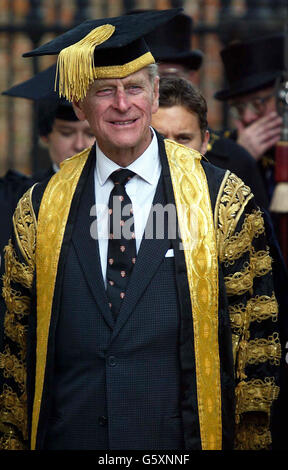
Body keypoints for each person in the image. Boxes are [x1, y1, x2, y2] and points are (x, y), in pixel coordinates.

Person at [0, 9, 281, 451]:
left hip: (177, 443)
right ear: (79, 105)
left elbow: (255, 352)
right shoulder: (39, 209)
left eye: (134, 88)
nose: (122, 104)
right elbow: (13, 352)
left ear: (154, 95)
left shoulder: (220, 200)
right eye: (104, 91)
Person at [214, 33, 284, 205]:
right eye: (238, 107)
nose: (247, 117)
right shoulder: (221, 149)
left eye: (257, 104)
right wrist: (240, 159)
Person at [2, 64, 96, 183]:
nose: (79, 145)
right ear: (45, 135)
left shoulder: (118, 192)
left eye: (91, 134)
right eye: (66, 133)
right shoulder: (19, 194)